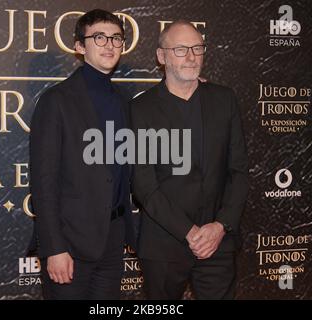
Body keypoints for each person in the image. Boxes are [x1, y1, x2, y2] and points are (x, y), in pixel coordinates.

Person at [130, 20, 249, 299]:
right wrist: (191, 232)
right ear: (162, 56)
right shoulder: (141, 109)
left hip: (218, 245)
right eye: (181, 49)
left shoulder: (224, 99)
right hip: (164, 246)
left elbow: (239, 171)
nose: (192, 56)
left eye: (198, 48)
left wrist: (220, 227)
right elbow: (145, 185)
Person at [29, 9, 135, 300]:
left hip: (113, 240)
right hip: (70, 243)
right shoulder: (56, 101)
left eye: (116, 38)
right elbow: (43, 182)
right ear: (79, 46)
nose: (110, 45)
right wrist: (54, 248)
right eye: (99, 37)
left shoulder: (124, 102)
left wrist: (192, 86)